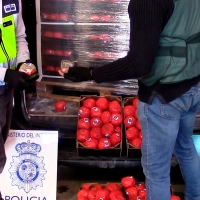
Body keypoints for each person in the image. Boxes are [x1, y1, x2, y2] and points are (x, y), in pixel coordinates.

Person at [59, 0, 200, 199]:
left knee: (157, 170)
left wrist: (90, 73)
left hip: (163, 94)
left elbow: (138, 65)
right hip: (192, 85)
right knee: (185, 147)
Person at [0, 0, 37, 199]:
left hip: (5, 90)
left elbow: (18, 36)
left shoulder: (12, 1)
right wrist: (5, 73)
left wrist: (24, 62)